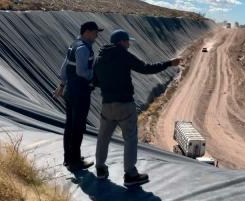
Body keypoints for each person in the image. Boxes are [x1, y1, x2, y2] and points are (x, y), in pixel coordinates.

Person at [93, 29, 182, 186]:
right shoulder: (123, 54)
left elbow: (95, 81)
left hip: (107, 104)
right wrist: (169, 63)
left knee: (103, 137)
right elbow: (146, 68)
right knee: (130, 139)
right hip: (125, 105)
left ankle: (100, 168)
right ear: (121, 42)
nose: (128, 44)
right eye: (127, 41)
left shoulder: (100, 58)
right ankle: (130, 175)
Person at [56, 21, 103, 171]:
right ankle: (75, 162)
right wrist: (95, 76)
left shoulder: (74, 45)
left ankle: (68, 158)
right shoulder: (83, 48)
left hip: (70, 91)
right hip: (80, 93)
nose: (97, 36)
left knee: (70, 125)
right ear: (87, 32)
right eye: (95, 32)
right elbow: (82, 72)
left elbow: (64, 68)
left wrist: (62, 85)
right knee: (78, 127)